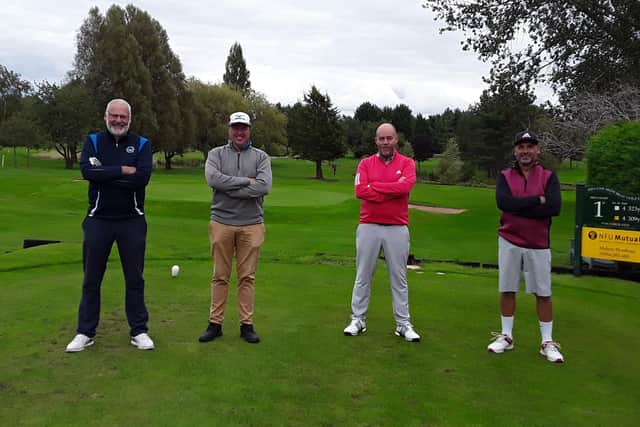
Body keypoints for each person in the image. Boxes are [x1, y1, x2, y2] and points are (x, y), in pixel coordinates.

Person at [66, 99, 154, 352]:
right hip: (98, 219)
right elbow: (88, 173)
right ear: (106, 116)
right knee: (91, 278)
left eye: (123, 117)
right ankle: (85, 332)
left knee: (134, 278)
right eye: (114, 116)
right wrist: (123, 170)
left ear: (130, 119)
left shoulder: (142, 144)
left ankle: (139, 330)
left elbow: (142, 178)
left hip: (132, 219)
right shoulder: (92, 141)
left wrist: (106, 173)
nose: (118, 121)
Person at [488, 130, 564, 363]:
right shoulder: (505, 176)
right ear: (515, 150)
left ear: (537, 150)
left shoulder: (548, 176)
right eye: (521, 147)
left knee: (543, 293)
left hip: (539, 243)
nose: (525, 151)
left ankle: (547, 342)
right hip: (509, 240)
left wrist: (518, 206)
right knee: (508, 289)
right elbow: (503, 203)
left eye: (530, 147)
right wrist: (535, 200)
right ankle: (507, 337)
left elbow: (553, 208)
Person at [198, 112, 272, 344]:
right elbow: (213, 180)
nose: (239, 132)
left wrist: (228, 187)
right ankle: (215, 323)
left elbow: (263, 187)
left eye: (244, 128)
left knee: (246, 277)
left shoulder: (261, 157)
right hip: (221, 221)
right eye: (235, 128)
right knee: (220, 275)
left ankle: (246, 325)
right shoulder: (216, 154)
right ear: (229, 130)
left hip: (252, 224)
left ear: (249, 130)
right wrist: (243, 182)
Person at [343, 123, 421, 342]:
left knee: (399, 277)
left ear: (396, 139)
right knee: (363, 275)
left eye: (389, 138)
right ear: (376, 141)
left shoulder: (407, 163)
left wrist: (376, 186)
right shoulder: (365, 163)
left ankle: (403, 324)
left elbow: (405, 188)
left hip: (397, 227)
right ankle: (357, 319)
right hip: (369, 225)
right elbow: (360, 191)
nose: (386, 142)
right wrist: (390, 189)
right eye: (381, 139)